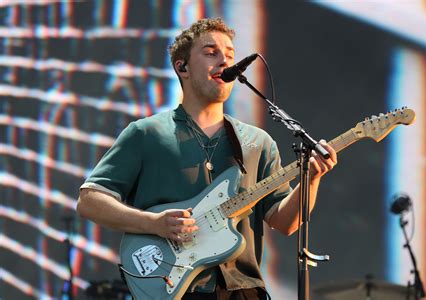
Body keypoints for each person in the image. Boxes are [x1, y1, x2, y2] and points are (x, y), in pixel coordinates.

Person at [76, 17, 337, 299]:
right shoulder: (146, 133)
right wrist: (153, 224)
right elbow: (90, 200)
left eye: (230, 55)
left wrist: (311, 179)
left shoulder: (257, 142)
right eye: (211, 53)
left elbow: (285, 222)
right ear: (182, 67)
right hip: (173, 288)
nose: (224, 61)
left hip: (242, 290)